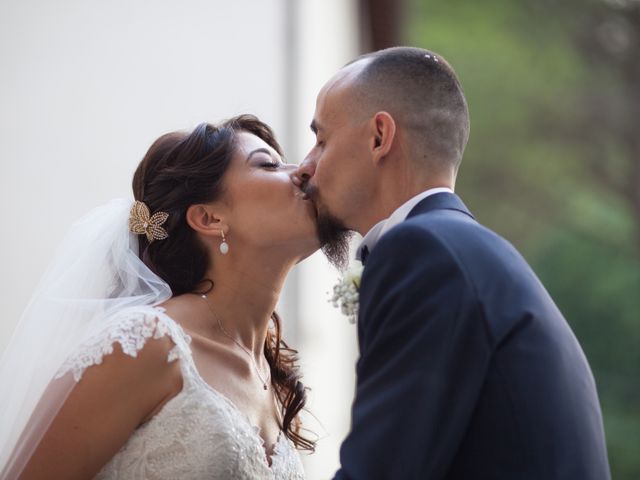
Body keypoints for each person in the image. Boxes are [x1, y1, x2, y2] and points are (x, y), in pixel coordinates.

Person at [292, 46, 611, 479]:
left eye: (322, 139)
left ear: (379, 137)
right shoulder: (461, 248)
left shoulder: (423, 253)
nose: (306, 167)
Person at [0, 115, 317, 479]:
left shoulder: (266, 367)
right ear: (209, 218)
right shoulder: (144, 342)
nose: (302, 170)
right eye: (268, 164)